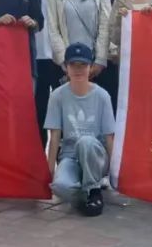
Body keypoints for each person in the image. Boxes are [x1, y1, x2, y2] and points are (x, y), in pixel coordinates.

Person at [44, 42, 115, 217]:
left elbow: (109, 137)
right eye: (73, 65)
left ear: (90, 67)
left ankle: (94, 190)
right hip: (70, 156)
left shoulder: (102, 96)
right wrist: (49, 173)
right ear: (65, 67)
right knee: (60, 187)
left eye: (83, 65)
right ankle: (85, 194)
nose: (78, 70)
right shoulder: (57, 96)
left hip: (96, 155)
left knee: (86, 142)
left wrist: (114, 173)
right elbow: (54, 137)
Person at [30, 0, 60, 141]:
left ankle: (63, 154)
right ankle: (39, 154)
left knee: (62, 105)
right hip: (36, 53)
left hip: (59, 54)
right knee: (38, 109)